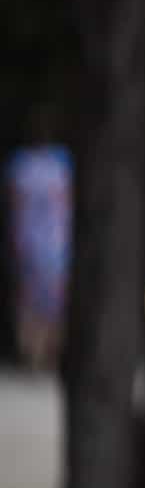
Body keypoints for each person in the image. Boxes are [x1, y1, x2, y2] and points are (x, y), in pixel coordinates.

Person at [6, 132, 72, 373]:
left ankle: (37, 358)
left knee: (36, 305)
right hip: (50, 245)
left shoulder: (22, 165)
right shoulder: (59, 162)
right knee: (46, 306)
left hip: (38, 244)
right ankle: (40, 358)